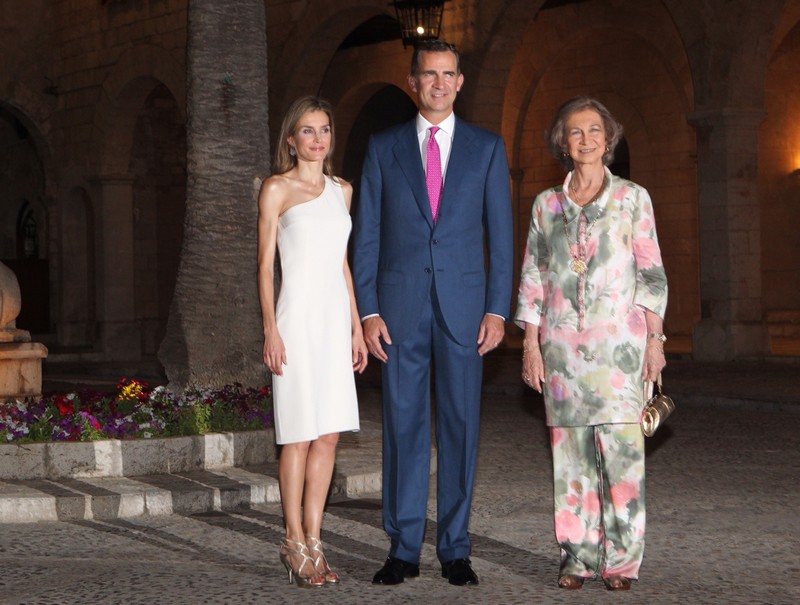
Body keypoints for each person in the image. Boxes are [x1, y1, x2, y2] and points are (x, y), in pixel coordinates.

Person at [353, 39, 514, 587]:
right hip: (398, 312)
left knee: (462, 426)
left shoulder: (488, 149)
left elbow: (502, 235)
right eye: (429, 74)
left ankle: (455, 547)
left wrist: (498, 308)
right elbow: (367, 237)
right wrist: (368, 311)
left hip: (468, 311)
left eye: (449, 74)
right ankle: (402, 546)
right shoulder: (383, 147)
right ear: (413, 81)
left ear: (460, 82)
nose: (439, 83)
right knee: (402, 427)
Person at [515, 96, 668, 591]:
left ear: (609, 138)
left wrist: (655, 342)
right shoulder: (546, 205)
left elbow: (651, 275)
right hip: (561, 354)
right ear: (563, 142)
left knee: (622, 460)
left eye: (594, 130)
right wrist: (531, 346)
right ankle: (577, 558)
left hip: (621, 353)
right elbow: (534, 279)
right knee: (571, 462)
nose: (585, 139)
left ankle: (622, 562)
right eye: (575, 132)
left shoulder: (632, 198)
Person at [257, 95, 368, 588]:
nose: (317, 138)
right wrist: (270, 329)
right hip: (296, 321)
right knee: (298, 435)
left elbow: (343, 264)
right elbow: (264, 267)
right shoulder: (276, 189)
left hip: (332, 321)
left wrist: (357, 325)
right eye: (308, 130)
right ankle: (293, 539)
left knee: (329, 435)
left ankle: (316, 539)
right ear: (291, 139)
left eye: (324, 129)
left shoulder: (342, 190)